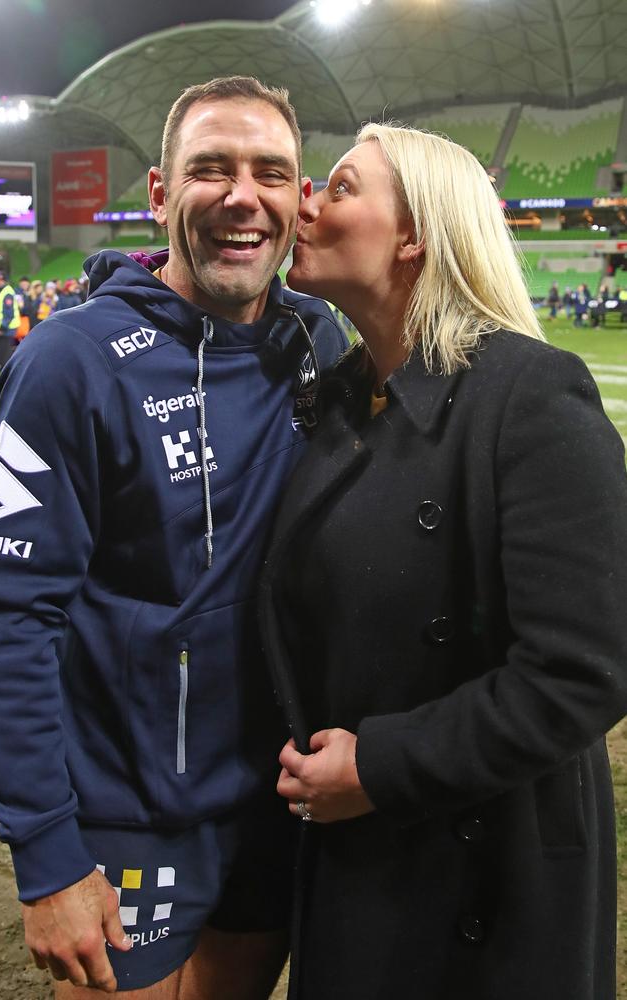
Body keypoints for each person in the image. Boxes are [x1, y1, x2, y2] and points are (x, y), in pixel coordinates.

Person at [0, 76, 347, 999]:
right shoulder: (69, 363)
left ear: (299, 199)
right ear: (157, 192)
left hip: (277, 798)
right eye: (209, 170)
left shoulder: (319, 345)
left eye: (270, 172)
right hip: (129, 816)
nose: (241, 196)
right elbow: (5, 618)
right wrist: (49, 857)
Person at [259, 123, 627, 1000]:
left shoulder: (532, 394)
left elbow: (583, 671)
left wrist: (381, 767)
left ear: (415, 234)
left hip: (486, 881)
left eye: (340, 187)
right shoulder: (339, 400)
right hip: (356, 852)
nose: (306, 200)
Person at [0, 269, 20, 367]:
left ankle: (5, 378)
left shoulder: (7, 292)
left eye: (1, 280)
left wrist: (2, 328)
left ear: (5, 281)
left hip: (6, 330)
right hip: (3, 329)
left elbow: (9, 313)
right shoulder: (1, 291)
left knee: (5, 356)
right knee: (3, 355)